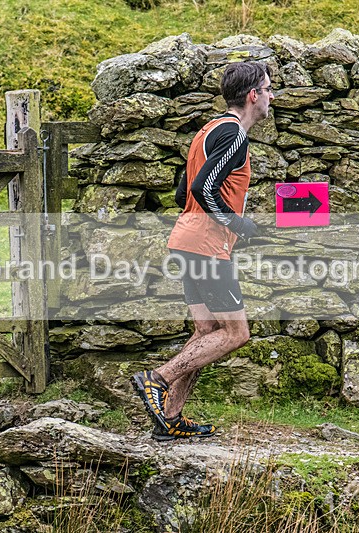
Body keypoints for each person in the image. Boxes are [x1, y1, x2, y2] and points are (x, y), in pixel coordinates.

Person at [131, 61, 275, 441]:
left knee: (207, 329)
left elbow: (183, 192)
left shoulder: (208, 130)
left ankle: (170, 417)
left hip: (186, 240)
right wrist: (238, 224)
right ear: (253, 95)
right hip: (207, 247)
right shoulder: (235, 135)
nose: (272, 97)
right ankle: (157, 378)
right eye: (268, 89)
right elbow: (201, 188)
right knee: (236, 332)